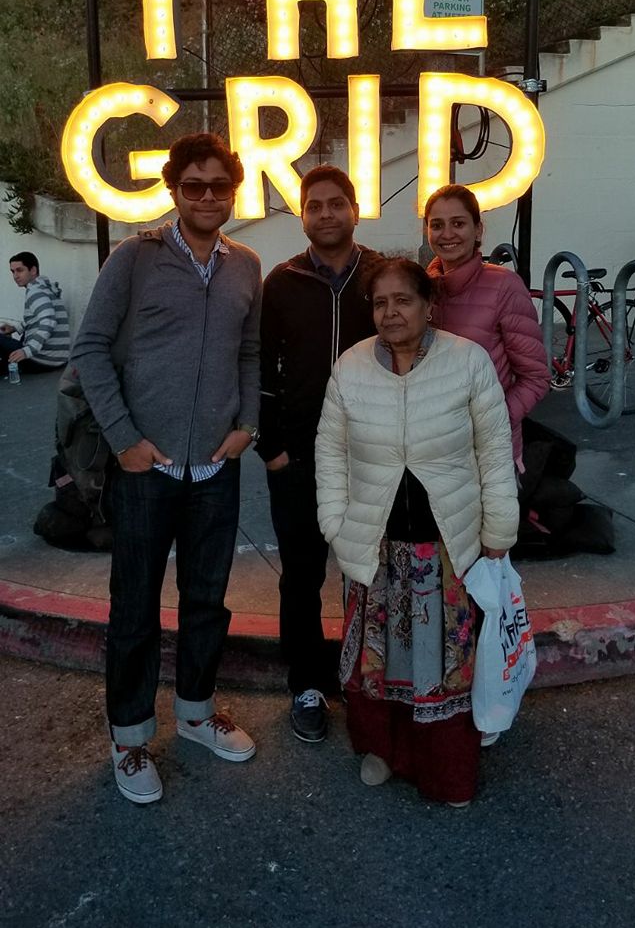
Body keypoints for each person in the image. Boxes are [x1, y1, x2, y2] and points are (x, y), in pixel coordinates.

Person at [72, 133, 262, 805]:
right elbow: (90, 349)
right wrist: (125, 439)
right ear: (175, 189)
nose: (207, 196)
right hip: (145, 467)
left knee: (207, 601)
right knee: (134, 608)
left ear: (234, 189)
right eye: (194, 185)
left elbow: (249, 351)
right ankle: (129, 738)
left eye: (219, 185)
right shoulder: (135, 258)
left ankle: (195, 711)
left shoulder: (245, 264)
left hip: (216, 467)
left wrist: (248, 428)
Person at [315, 257, 519, 806]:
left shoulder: (468, 362)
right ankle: (383, 752)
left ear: (429, 306)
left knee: (441, 666)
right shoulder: (351, 367)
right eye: (380, 303)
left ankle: (445, 771)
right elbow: (330, 452)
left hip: (447, 550)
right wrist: (335, 524)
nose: (391, 312)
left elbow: (494, 452)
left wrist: (499, 526)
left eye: (403, 300)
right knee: (378, 666)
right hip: (375, 547)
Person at [258, 165, 381, 744]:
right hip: (300, 459)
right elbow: (259, 369)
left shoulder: (382, 276)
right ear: (302, 215)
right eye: (315, 206)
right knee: (301, 576)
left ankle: (369, 679)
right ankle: (306, 683)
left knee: (371, 572)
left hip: (374, 457)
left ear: (355, 210)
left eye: (336, 204)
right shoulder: (282, 282)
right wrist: (272, 448)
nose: (326, 214)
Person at [424, 184, 549, 467]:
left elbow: (535, 378)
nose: (447, 234)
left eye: (458, 223)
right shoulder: (422, 288)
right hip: (433, 449)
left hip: (489, 453)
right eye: (437, 225)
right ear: (426, 230)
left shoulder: (504, 286)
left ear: (478, 230)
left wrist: (493, 420)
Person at [0, 252, 70, 376]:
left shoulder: (35, 292)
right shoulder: (43, 288)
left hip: (43, 360)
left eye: (19, 270)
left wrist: (27, 351)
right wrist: (15, 328)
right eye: (13, 272)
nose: (15, 276)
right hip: (57, 359)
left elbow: (48, 321)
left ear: (33, 270)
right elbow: (37, 319)